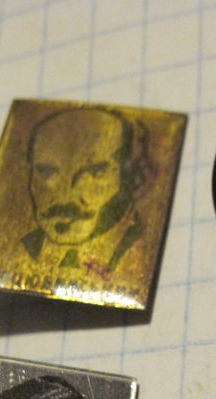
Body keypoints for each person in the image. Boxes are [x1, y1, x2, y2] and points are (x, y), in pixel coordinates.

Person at [19, 107, 152, 280]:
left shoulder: (139, 250)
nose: (65, 196)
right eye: (45, 172)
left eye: (94, 173)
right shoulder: (24, 247)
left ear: (134, 177)